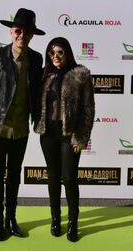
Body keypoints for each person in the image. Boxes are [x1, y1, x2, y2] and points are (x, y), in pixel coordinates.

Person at [0, 8, 45, 241]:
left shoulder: (36, 59)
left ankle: (11, 218)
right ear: (11, 32)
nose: (21, 35)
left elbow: (37, 93)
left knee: (14, 175)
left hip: (21, 129)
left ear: (32, 35)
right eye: (18, 30)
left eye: (26, 32)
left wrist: (39, 119)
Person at [34, 37, 95, 242]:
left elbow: (88, 110)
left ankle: (73, 223)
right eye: (52, 53)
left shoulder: (80, 75)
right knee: (52, 178)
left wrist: (81, 137)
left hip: (69, 136)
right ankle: (55, 219)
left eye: (60, 52)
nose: (56, 57)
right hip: (48, 133)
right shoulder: (44, 74)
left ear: (67, 52)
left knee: (69, 178)